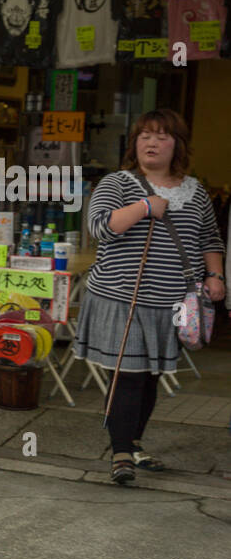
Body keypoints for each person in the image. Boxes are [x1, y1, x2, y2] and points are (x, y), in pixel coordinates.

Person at [74, 109, 225, 483]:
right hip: (121, 298)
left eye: (161, 136)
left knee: (151, 375)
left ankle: (134, 443)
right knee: (128, 374)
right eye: (144, 136)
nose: (152, 143)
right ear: (135, 144)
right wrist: (144, 207)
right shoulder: (118, 183)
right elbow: (99, 228)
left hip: (172, 301)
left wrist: (216, 274)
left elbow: (209, 238)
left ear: (178, 145)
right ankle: (121, 454)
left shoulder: (195, 190)